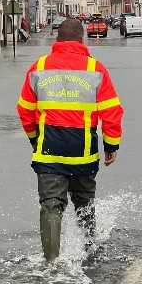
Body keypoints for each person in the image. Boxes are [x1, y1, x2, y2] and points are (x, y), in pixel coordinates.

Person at [16, 19, 124, 262]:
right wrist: (111, 145)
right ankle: (88, 251)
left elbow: (24, 110)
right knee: (84, 202)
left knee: (51, 204)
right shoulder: (96, 69)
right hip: (83, 152)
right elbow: (112, 111)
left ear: (56, 41)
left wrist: (36, 140)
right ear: (82, 40)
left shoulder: (38, 67)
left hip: (49, 151)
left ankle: (51, 262)